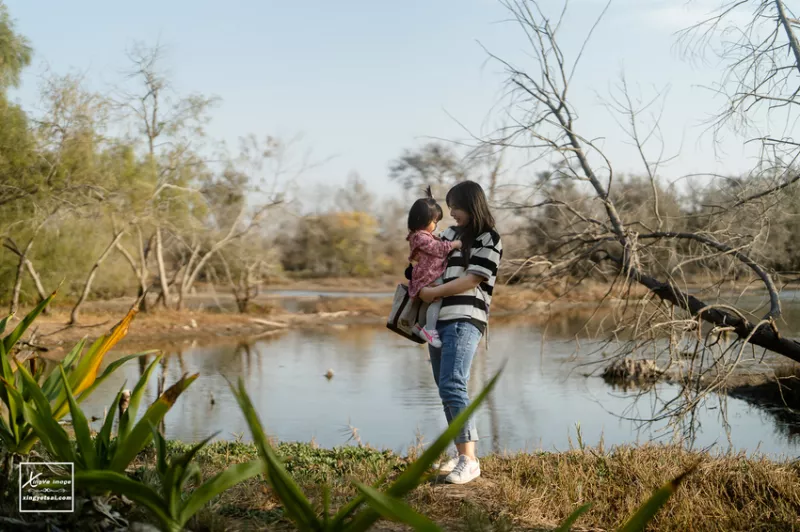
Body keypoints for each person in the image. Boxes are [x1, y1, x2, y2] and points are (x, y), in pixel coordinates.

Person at [418, 180, 502, 485]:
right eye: (449, 206)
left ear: (472, 204)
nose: (451, 212)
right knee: (445, 389)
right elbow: (430, 261)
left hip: (466, 318)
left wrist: (434, 292)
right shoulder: (449, 235)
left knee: (454, 383)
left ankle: (470, 460)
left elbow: (473, 279)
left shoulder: (488, 238)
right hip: (438, 320)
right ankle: (460, 452)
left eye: (456, 206)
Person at [406, 191, 462, 347]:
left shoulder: (420, 235)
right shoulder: (420, 237)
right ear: (423, 220)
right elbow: (438, 249)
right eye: (434, 221)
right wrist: (454, 245)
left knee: (428, 303)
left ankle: (420, 326)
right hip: (429, 275)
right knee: (436, 300)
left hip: (428, 273)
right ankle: (429, 330)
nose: (436, 225)